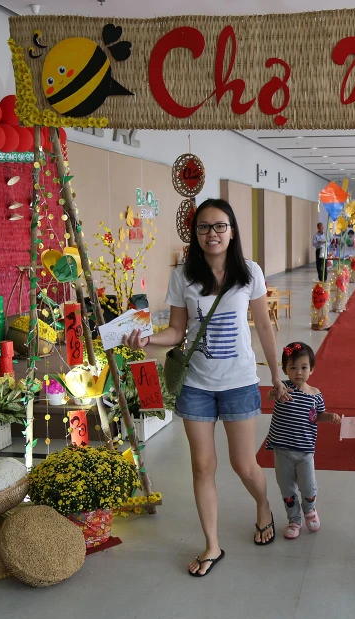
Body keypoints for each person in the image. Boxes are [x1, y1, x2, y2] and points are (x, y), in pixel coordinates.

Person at [123, 198, 289, 578]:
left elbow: (264, 326)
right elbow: (177, 331)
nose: (211, 233)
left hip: (239, 382)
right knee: (202, 466)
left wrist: (276, 374)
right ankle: (212, 544)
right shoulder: (184, 276)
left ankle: (263, 505)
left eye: (219, 226)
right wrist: (147, 339)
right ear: (194, 233)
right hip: (196, 384)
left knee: (244, 464)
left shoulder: (249, 272)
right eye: (203, 227)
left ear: (231, 231)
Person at [264, 341, 340, 539]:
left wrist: (329, 416)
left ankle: (309, 510)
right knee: (286, 488)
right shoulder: (283, 388)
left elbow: (318, 415)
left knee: (308, 486)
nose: (298, 372)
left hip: (305, 450)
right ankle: (294, 519)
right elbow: (270, 396)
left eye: (304, 368)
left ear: (312, 369)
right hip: (282, 450)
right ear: (284, 370)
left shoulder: (315, 395)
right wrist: (274, 392)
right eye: (293, 368)